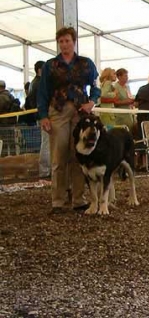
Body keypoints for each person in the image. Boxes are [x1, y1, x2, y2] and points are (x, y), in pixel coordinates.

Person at [37, 26, 100, 213]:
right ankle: (58, 200)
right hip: (58, 111)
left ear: (74, 41)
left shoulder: (86, 63)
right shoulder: (50, 65)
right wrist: (43, 116)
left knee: (77, 155)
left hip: (80, 113)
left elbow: (96, 86)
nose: (64, 44)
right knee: (58, 156)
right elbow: (42, 92)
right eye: (61, 41)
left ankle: (78, 199)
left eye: (67, 41)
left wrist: (92, 102)